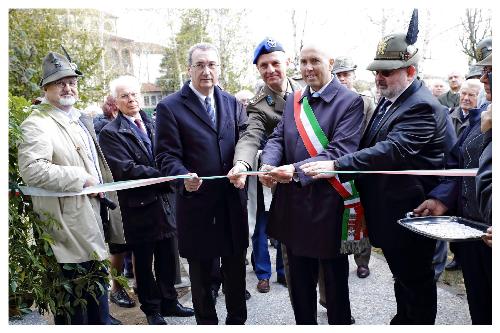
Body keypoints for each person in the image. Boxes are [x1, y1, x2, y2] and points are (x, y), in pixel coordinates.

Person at [301, 17, 455, 324]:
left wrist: (336, 165)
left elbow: (391, 151)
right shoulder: (392, 100)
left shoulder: (421, 106)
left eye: (387, 72)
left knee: (417, 282)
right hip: (394, 215)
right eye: (376, 72)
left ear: (410, 71)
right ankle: (404, 319)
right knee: (404, 278)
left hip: (413, 213)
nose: (379, 78)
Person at [258, 43, 364, 325]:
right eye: (303, 62)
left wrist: (292, 170)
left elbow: (339, 151)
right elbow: (277, 138)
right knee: (299, 285)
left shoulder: (350, 101)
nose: (307, 68)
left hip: (327, 207)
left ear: (330, 62)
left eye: (314, 61)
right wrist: (268, 164)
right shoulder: (295, 99)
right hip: (292, 207)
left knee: (334, 286)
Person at [17, 51, 125, 324]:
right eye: (59, 82)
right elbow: (32, 170)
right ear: (45, 88)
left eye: (71, 81)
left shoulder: (76, 120)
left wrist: (95, 183)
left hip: (91, 220)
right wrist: (81, 177)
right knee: (77, 312)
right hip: (66, 230)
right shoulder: (37, 123)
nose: (67, 87)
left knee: (97, 306)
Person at [155, 43, 249, 325]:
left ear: (219, 68)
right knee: (203, 279)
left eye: (212, 65)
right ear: (189, 69)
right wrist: (182, 175)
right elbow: (165, 154)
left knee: (235, 275)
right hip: (197, 206)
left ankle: (237, 322)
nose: (207, 71)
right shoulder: (170, 106)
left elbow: (245, 138)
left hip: (232, 203)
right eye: (200, 65)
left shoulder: (232, 102)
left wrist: (243, 165)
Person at [99, 75, 194, 325]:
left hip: (165, 201)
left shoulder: (153, 123)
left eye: (134, 94)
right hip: (139, 207)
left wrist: (173, 171)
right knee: (144, 261)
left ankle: (169, 302)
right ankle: (152, 309)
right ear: (115, 101)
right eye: (124, 96)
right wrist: (167, 174)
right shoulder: (111, 133)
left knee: (168, 256)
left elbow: (169, 152)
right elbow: (126, 170)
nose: (131, 99)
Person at [413, 40, 492, 324]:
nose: (483, 79)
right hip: (474, 232)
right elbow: (460, 164)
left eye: (490, 71)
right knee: (481, 312)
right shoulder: (482, 119)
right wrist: (442, 199)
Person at [228, 37, 301, 294]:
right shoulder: (259, 104)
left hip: (301, 175)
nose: (270, 70)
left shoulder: (308, 91)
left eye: (275, 63)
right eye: (263, 66)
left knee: (291, 225)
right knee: (261, 224)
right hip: (267, 176)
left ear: (288, 63)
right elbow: (250, 137)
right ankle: (262, 273)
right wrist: (241, 164)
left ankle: (286, 271)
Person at [331, 56, 375, 279]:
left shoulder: (366, 101)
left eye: (346, 74)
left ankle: (362, 260)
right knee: (338, 214)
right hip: (334, 163)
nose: (342, 78)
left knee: (359, 214)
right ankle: (338, 257)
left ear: (354, 76)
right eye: (338, 74)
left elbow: (370, 135)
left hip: (358, 164)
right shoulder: (332, 101)